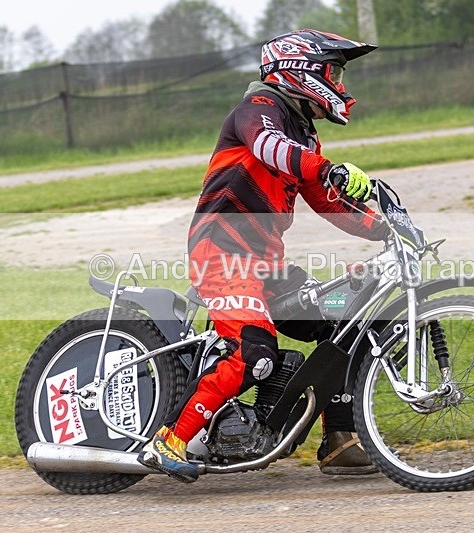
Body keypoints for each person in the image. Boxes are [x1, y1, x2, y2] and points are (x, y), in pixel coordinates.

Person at [138, 29, 388, 483]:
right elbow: (269, 147)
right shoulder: (257, 110)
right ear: (301, 71)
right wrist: (327, 167)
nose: (341, 84)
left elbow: (328, 200)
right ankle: (170, 439)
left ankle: (339, 440)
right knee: (252, 351)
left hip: (268, 269)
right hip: (223, 254)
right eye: (334, 72)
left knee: (348, 318)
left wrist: (387, 228)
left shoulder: (304, 135)